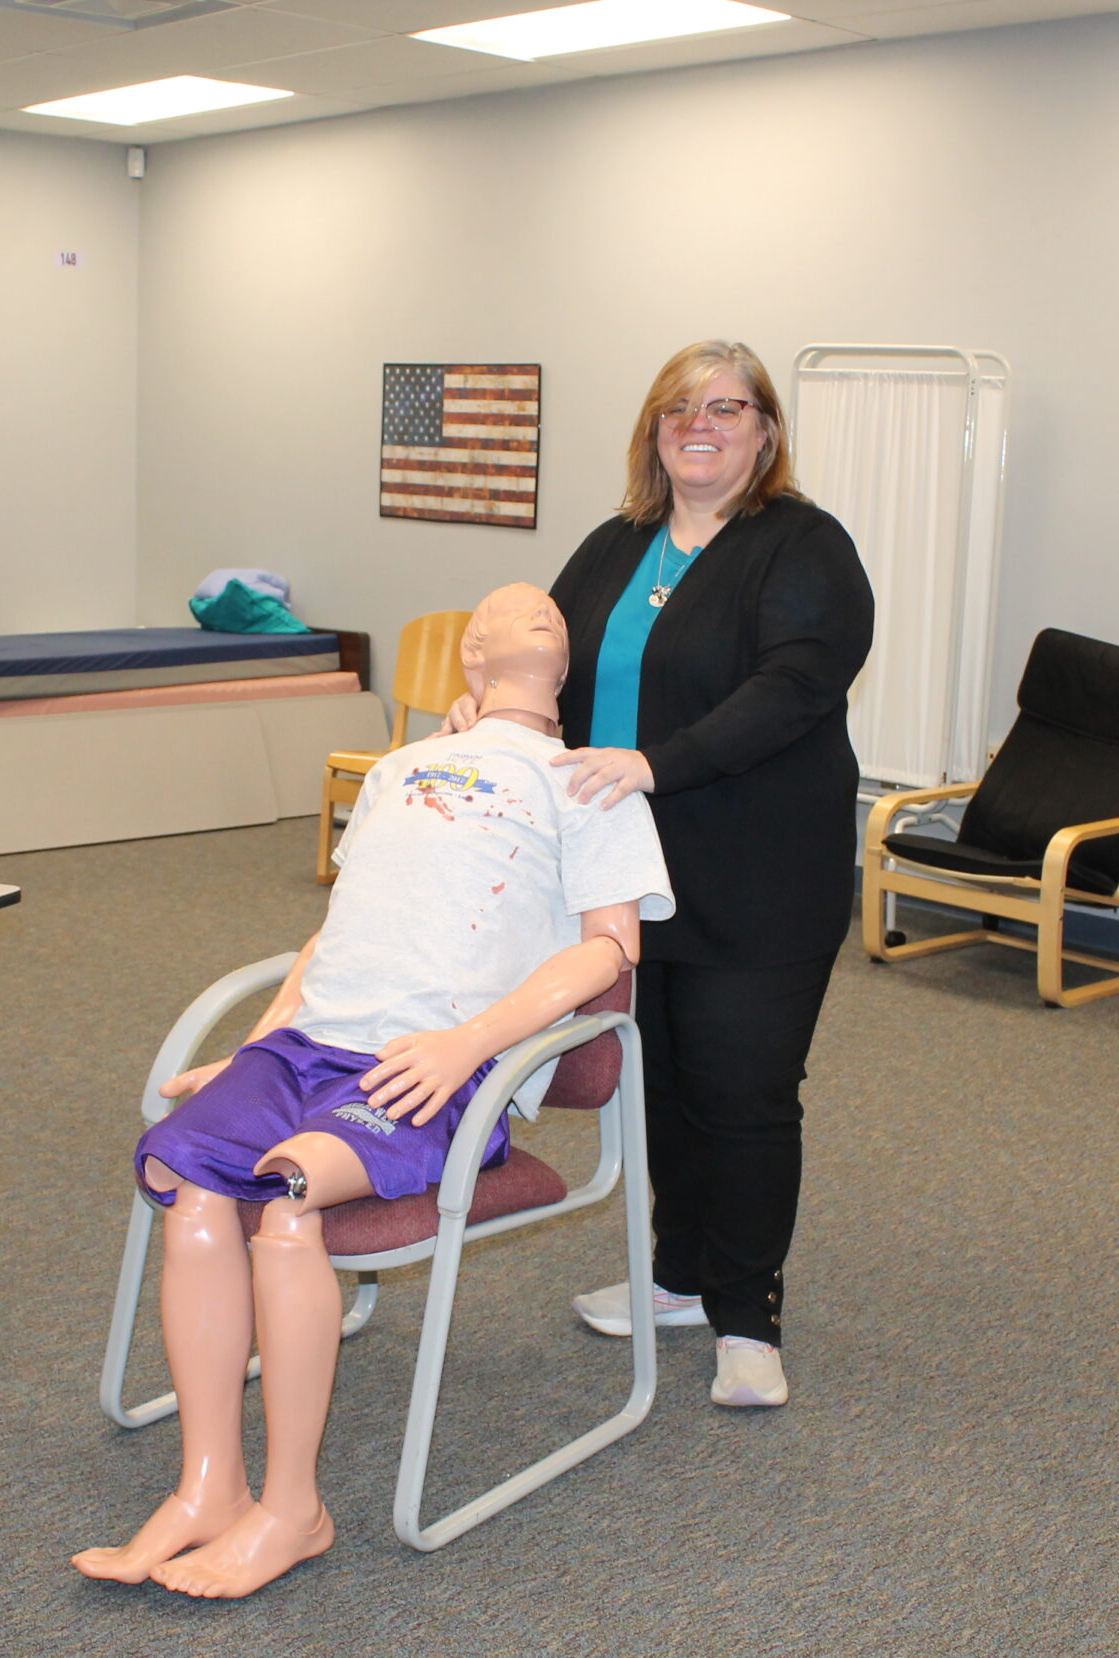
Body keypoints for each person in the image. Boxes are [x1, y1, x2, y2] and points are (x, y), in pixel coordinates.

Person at [71, 583, 673, 1600]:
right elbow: (332, 935)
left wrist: (465, 1045)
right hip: (308, 1045)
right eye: (501, 610)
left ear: (563, 666)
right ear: (469, 661)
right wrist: (254, 1047)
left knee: (292, 1192)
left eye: (545, 614)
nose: (529, 605)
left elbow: (611, 950)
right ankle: (209, 1484)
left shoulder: (589, 783)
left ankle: (292, 1507)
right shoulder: (399, 770)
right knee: (187, 1177)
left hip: (435, 1065)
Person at [450, 339, 873, 1409]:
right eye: (680, 408)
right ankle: (678, 1276)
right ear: (653, 429)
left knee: (743, 1091)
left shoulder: (803, 547)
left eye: (727, 409)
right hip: (624, 876)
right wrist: (488, 708)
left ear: (764, 433)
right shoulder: (615, 544)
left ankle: (747, 1321)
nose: (702, 425)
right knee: (664, 1088)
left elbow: (795, 686)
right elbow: (542, 666)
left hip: (759, 869)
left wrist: (655, 763)